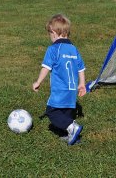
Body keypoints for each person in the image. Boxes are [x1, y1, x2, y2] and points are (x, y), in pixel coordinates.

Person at [32, 14, 86, 145]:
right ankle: (74, 137)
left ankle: (73, 127)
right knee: (67, 113)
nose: (50, 37)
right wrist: (82, 84)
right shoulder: (74, 49)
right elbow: (81, 68)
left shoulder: (53, 49)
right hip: (72, 90)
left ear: (54, 32)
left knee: (52, 112)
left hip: (59, 90)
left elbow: (46, 67)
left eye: (49, 34)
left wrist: (38, 82)